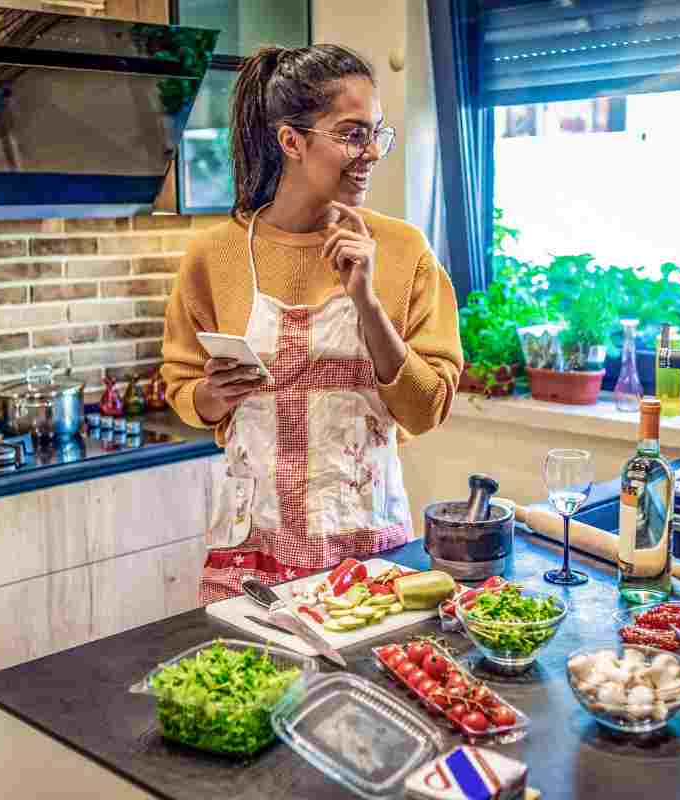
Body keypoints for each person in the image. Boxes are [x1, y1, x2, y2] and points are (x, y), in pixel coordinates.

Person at [161, 44, 463, 604]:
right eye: (352, 134)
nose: (371, 151)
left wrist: (367, 303)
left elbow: (427, 410)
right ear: (291, 141)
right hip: (249, 553)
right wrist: (211, 394)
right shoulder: (216, 255)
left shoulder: (402, 251)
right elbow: (182, 388)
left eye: (377, 133)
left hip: (369, 556)